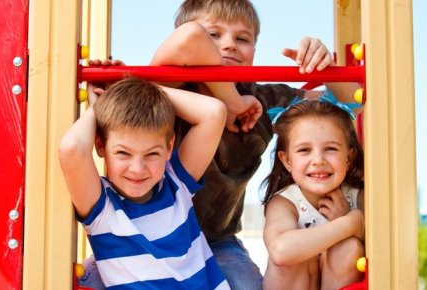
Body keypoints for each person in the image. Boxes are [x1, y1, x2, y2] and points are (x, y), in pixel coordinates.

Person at [85, 0, 361, 289]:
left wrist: (326, 67)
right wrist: (232, 101)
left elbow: (348, 105)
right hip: (138, 237)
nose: (228, 45)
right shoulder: (164, 94)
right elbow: (190, 38)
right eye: (213, 35)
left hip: (216, 240)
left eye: (242, 39)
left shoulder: (264, 102)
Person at [59, 77, 230, 289]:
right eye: (123, 153)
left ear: (169, 148)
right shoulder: (103, 206)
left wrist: (130, 84)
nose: (137, 169)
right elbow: (71, 149)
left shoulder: (176, 183)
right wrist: (99, 107)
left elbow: (214, 113)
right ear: (100, 146)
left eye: (151, 154)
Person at [261, 95, 365, 290]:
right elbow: (280, 251)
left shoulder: (358, 196)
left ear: (349, 157)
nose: (318, 159)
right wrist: (351, 223)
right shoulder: (285, 202)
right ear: (287, 161)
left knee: (349, 248)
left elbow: (389, 244)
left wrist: (353, 225)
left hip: (337, 278)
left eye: (331, 148)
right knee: (293, 254)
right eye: (304, 150)